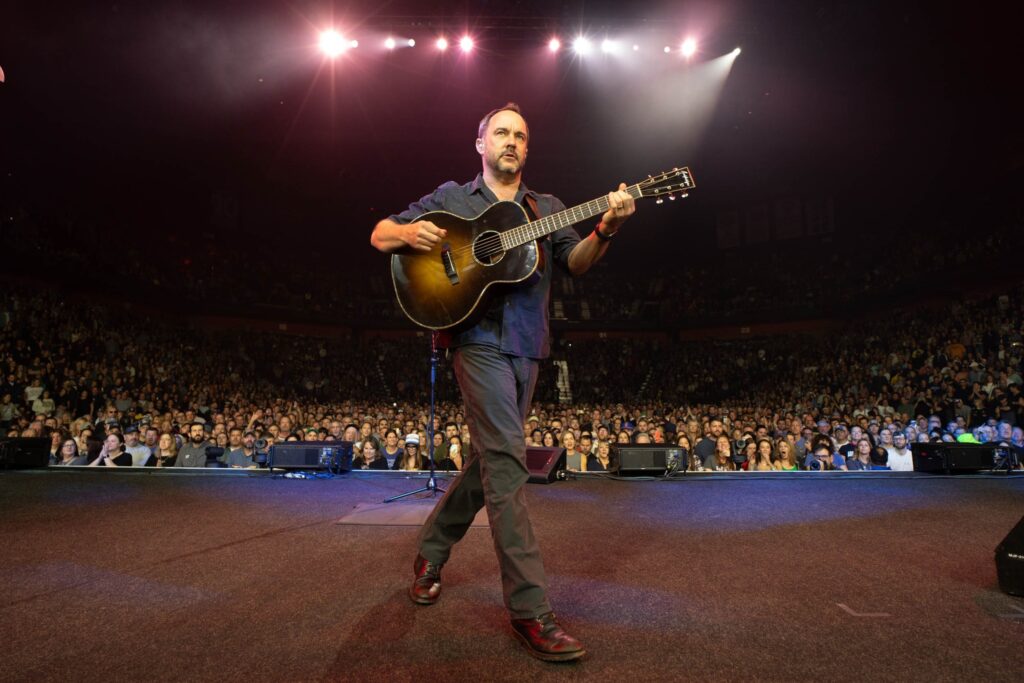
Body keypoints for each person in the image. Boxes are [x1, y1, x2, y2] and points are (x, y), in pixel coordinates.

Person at [370, 102, 635, 662]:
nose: (510, 142)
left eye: (520, 135)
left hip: (527, 346)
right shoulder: (453, 198)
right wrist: (409, 233)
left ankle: (431, 551)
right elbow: (378, 235)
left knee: (493, 459)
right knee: (509, 465)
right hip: (474, 340)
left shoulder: (549, 208)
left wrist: (606, 229)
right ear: (481, 144)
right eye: (501, 133)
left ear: (527, 149)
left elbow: (579, 263)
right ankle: (531, 612)